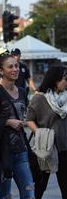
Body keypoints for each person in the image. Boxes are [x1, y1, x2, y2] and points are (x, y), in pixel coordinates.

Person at [0, 53, 35, 199]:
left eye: (16, 66)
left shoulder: (21, 91)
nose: (15, 69)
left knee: (29, 193)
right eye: (10, 67)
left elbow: (25, 114)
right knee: (5, 195)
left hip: (21, 150)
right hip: (2, 153)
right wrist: (8, 122)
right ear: (1, 71)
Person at [26, 66, 67, 199]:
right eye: (65, 79)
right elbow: (29, 120)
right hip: (45, 147)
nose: (66, 82)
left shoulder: (66, 97)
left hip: (64, 147)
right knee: (40, 184)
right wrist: (41, 134)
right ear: (55, 80)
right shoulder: (40, 98)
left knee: (65, 184)